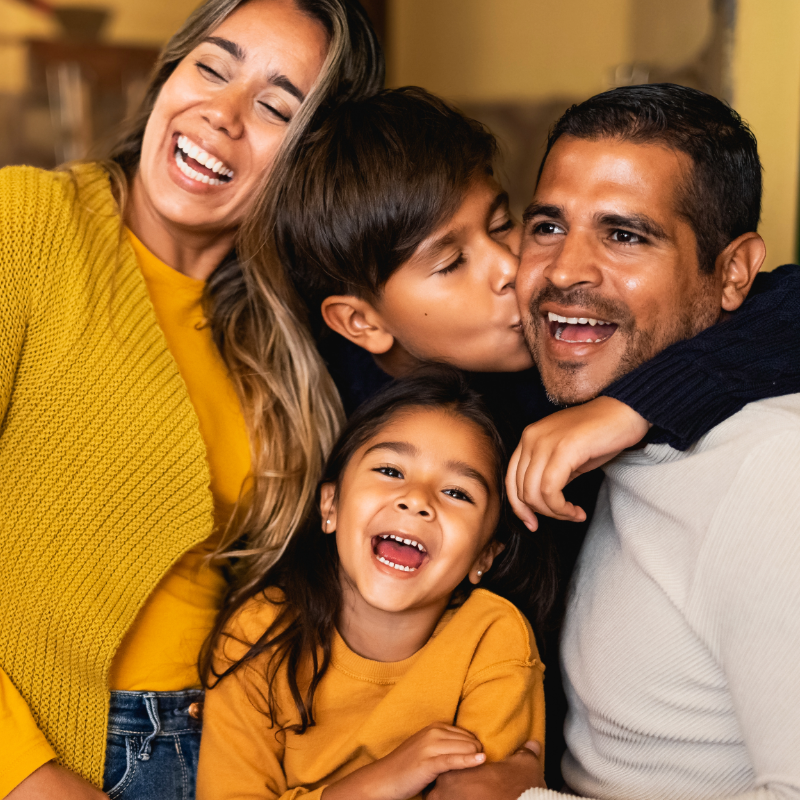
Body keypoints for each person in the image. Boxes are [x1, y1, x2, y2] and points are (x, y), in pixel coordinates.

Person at [274, 86, 800, 783]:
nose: (538, 272)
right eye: (547, 227)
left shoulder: (746, 460)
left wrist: (639, 404)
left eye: (624, 235)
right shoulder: (326, 419)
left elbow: (779, 302)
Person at [0, 2, 382, 798]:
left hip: (214, 758)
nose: (223, 113)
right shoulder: (28, 226)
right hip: (43, 752)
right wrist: (26, 773)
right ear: (169, 72)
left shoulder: (295, 343)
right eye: (211, 66)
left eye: (277, 107)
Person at [431, 83, 800, 800]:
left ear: (733, 274)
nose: (567, 270)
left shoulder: (771, 477)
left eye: (625, 235)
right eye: (546, 227)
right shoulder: (546, 400)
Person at [196, 369, 552, 799]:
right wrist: (385, 780)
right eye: (389, 469)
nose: (417, 500)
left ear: (484, 556)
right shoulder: (257, 633)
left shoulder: (493, 636)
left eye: (458, 493)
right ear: (330, 505)